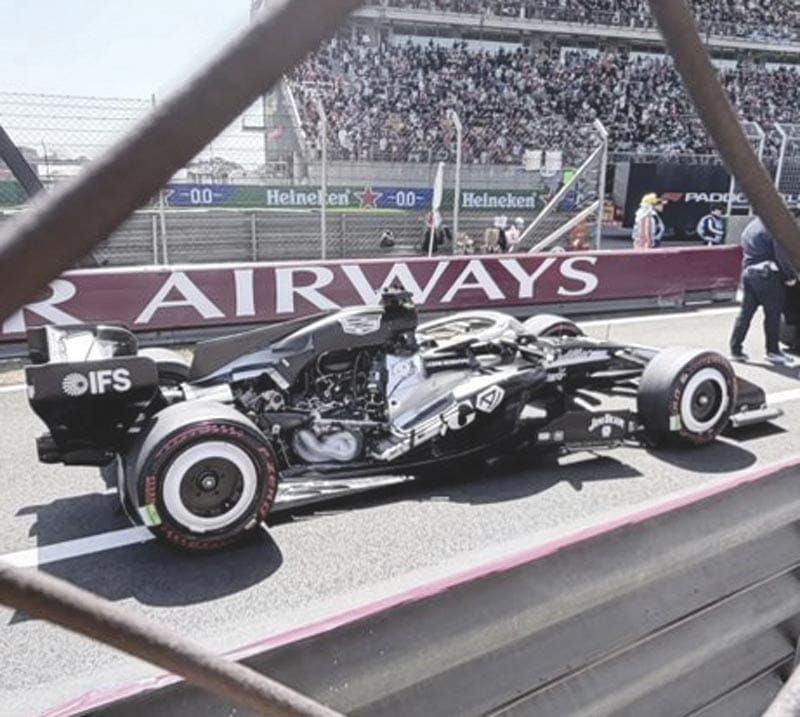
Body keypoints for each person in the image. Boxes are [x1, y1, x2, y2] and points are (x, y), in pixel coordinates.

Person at [729, 216, 798, 365]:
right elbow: (781, 253)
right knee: (773, 314)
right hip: (768, 273)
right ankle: (772, 351)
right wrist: (789, 276)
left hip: (749, 272)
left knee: (745, 314)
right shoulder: (773, 226)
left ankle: (735, 349)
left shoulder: (751, 227)